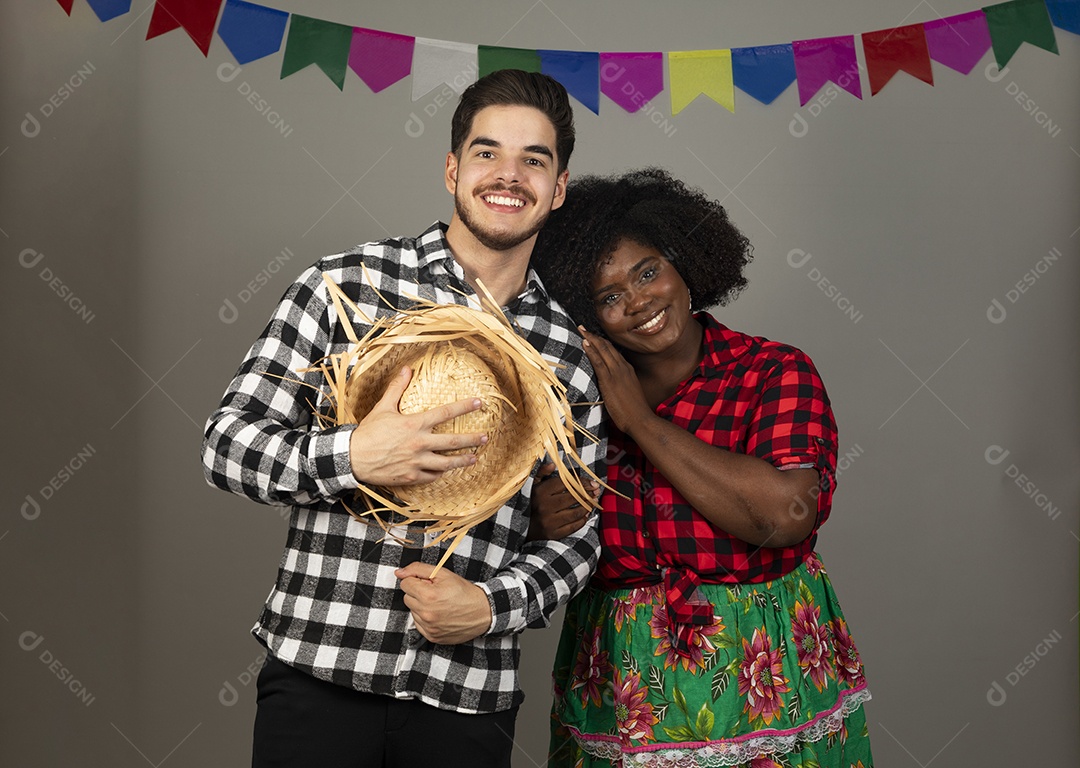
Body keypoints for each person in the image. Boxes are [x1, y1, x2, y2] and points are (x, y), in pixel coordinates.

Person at [201, 69, 605, 768]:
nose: (508, 175)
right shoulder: (344, 287)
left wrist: (490, 604)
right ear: (452, 169)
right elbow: (226, 446)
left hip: (467, 693)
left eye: (533, 160)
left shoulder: (569, 352)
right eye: (487, 153)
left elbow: (581, 532)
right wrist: (352, 455)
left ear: (559, 187)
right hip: (319, 674)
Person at [531, 168, 874, 767]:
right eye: (608, 297)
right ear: (584, 314)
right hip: (618, 676)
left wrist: (640, 423)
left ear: (684, 262)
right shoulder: (568, 402)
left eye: (647, 272)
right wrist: (536, 521)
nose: (638, 302)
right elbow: (498, 528)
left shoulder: (773, 371)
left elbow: (785, 516)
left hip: (759, 664)